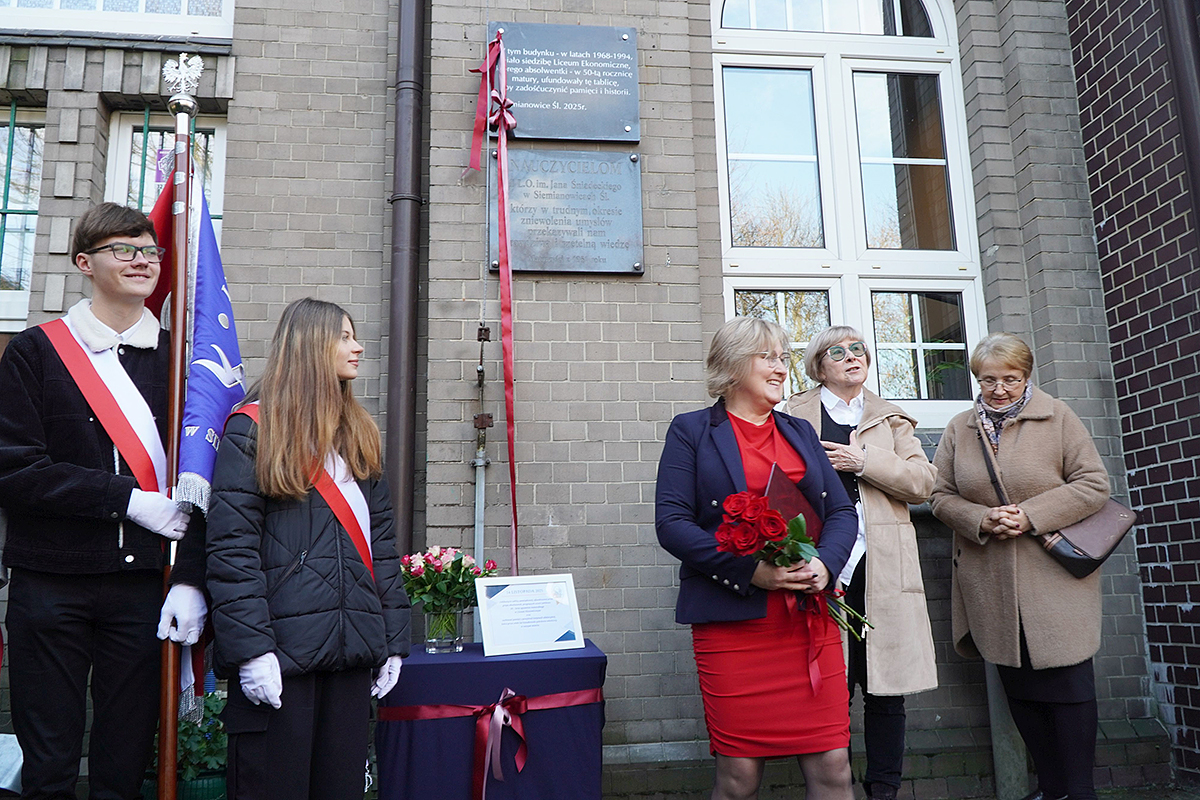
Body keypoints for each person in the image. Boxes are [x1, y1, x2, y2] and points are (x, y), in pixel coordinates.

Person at [0, 202, 207, 799]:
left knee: (123, 763)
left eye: (150, 251)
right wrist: (127, 500)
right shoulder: (35, 352)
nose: (142, 261)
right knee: (50, 764)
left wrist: (191, 578)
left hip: (143, 587)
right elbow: (15, 469)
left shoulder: (180, 361)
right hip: (50, 580)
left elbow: (205, 481)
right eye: (123, 249)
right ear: (84, 262)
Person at [206, 297, 411, 800]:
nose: (357, 347)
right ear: (310, 345)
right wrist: (252, 651)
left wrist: (393, 639)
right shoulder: (252, 429)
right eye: (344, 337)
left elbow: (382, 547)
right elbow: (232, 551)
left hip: (351, 654)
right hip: (280, 657)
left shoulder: (359, 434)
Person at [656, 316, 859, 800]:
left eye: (783, 358)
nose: (781, 368)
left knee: (834, 768)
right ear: (732, 365)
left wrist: (825, 564)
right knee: (739, 776)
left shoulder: (800, 432)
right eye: (767, 357)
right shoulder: (691, 431)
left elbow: (841, 512)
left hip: (807, 621)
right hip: (734, 625)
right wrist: (753, 572)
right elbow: (672, 523)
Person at [930, 332, 1110, 800]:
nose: (999, 389)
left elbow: (1094, 485)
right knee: (1020, 687)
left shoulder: (1058, 416)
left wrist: (1031, 515)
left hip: (1054, 576)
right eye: (988, 380)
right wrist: (980, 518)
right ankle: (1052, 789)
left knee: (1068, 684)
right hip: (990, 578)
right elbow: (939, 496)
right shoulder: (959, 428)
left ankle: (1080, 792)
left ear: (1027, 376)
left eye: (1010, 379)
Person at [785, 326, 937, 800]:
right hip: (821, 562)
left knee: (885, 686)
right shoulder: (791, 415)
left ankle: (884, 789)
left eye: (859, 350)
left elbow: (923, 482)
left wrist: (864, 461)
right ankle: (839, 789)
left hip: (881, 563)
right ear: (818, 366)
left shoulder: (890, 419)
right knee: (831, 687)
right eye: (838, 352)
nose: (852, 357)